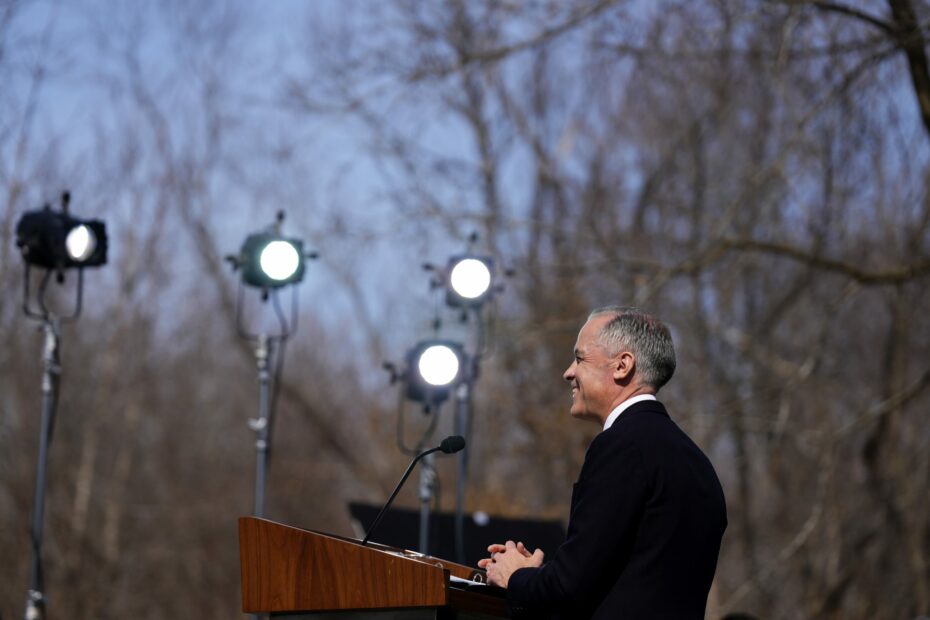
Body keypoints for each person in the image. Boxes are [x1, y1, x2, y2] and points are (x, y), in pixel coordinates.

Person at [478, 306, 727, 619]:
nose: (568, 372)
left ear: (622, 366)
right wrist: (537, 575)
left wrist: (514, 576)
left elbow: (568, 590)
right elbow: (623, 577)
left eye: (580, 358)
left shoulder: (622, 445)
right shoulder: (697, 462)